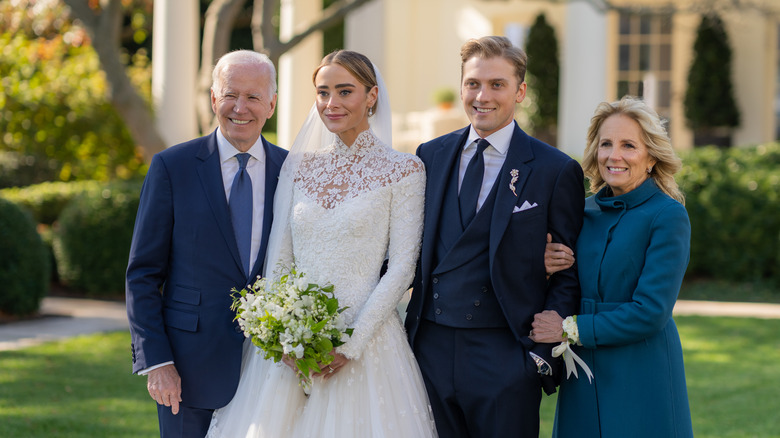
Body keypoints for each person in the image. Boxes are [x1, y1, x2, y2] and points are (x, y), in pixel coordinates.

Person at [206, 50, 437, 437]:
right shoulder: (298, 166)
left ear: (372, 96)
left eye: (345, 91)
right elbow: (279, 258)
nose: (331, 103)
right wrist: (283, 336)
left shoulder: (405, 170)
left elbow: (402, 267)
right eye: (323, 92)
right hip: (290, 349)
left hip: (367, 344)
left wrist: (351, 344)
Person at [404, 36, 585, 438]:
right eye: (473, 83)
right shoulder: (428, 155)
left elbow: (569, 274)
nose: (482, 96)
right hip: (428, 350)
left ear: (519, 91)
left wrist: (538, 360)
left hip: (505, 355)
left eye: (497, 84)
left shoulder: (555, 170)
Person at [125, 50, 287, 437]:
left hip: (274, 371)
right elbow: (143, 274)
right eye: (230, 95)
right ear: (214, 99)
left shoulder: (293, 171)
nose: (240, 108)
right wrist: (157, 362)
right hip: (188, 368)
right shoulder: (172, 167)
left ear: (272, 104)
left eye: (252, 97)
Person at [532, 96, 694, 437]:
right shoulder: (582, 211)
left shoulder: (668, 216)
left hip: (640, 370)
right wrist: (545, 267)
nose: (613, 155)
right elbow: (566, 284)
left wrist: (569, 329)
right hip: (582, 372)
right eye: (606, 143)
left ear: (651, 157)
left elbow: (651, 310)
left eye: (628, 145)